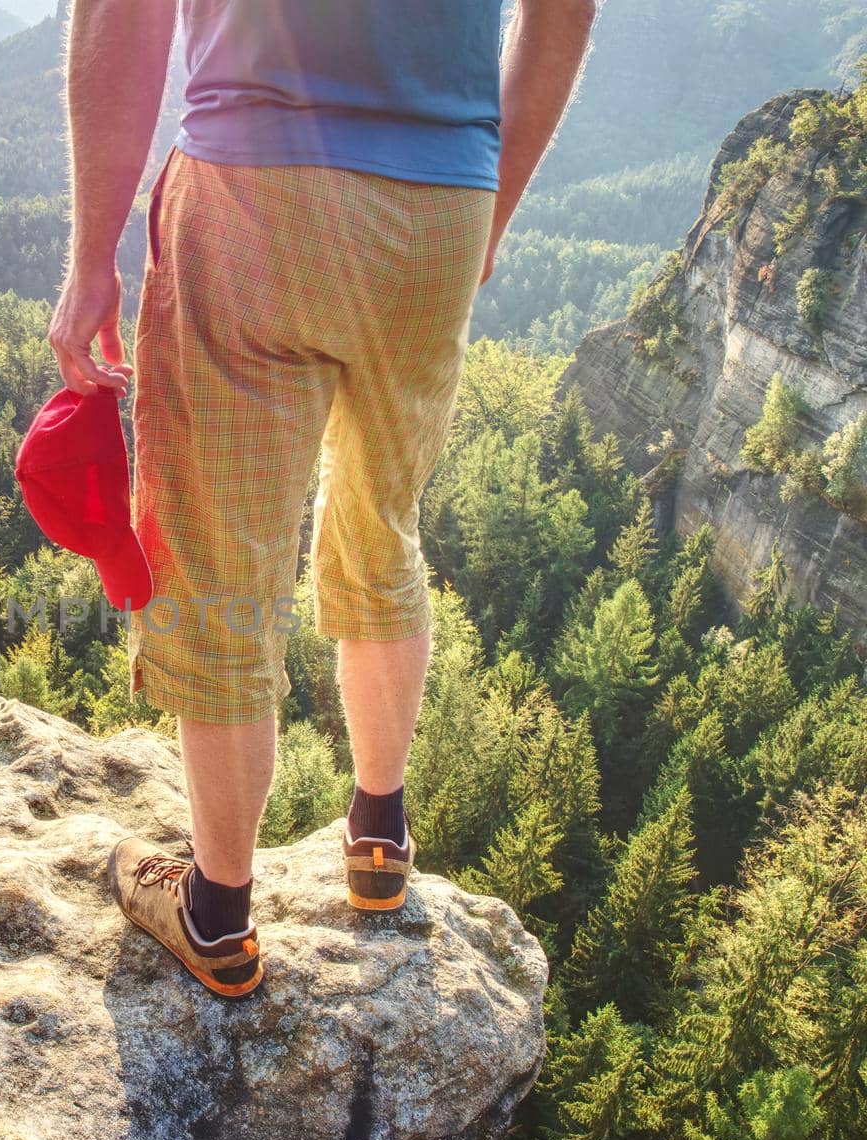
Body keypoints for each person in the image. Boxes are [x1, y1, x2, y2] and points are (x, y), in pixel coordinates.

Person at [47, 0, 599, 998]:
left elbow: (120, 19)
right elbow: (565, 13)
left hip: (248, 189)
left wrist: (91, 259)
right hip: (438, 208)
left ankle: (215, 913)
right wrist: (489, 200)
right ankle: (377, 836)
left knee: (217, 562)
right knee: (382, 523)